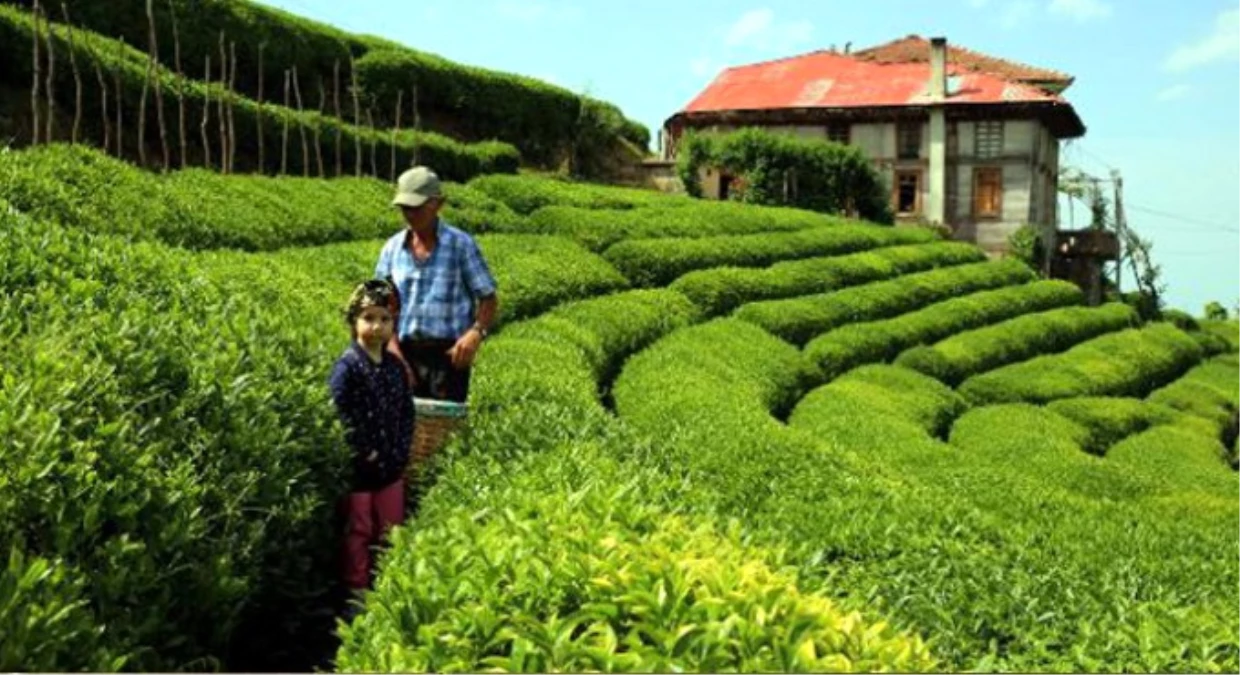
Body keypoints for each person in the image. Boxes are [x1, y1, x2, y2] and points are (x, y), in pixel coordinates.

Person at [375, 166, 499, 403]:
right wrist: (391, 350)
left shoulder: (461, 245)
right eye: (404, 208)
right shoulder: (391, 249)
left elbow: (488, 298)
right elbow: (379, 307)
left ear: (437, 204)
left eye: (416, 208)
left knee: (444, 432)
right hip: (403, 352)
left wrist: (476, 333)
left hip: (449, 358)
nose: (409, 214)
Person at [328, 279, 414, 605]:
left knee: (390, 530)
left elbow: (406, 412)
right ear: (354, 323)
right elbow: (339, 414)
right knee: (358, 531)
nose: (376, 326)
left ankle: (386, 590)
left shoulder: (395, 368)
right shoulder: (347, 367)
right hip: (359, 470)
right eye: (368, 318)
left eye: (384, 318)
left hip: (391, 468)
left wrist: (400, 450)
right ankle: (357, 593)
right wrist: (365, 451)